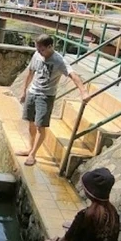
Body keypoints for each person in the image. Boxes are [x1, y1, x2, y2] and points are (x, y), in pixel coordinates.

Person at [16, 34, 89, 166]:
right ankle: (30, 148)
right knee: (31, 123)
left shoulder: (58, 60)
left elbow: (73, 75)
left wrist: (83, 92)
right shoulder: (37, 55)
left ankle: (33, 154)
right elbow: (30, 73)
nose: (39, 52)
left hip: (46, 96)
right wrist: (24, 91)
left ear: (50, 46)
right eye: (37, 48)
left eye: (42, 49)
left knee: (40, 126)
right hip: (32, 92)